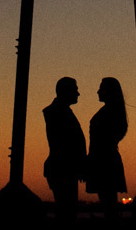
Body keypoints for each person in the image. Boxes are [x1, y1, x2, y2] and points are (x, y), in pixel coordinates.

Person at [44, 76, 86, 225]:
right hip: (63, 169)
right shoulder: (57, 112)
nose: (78, 94)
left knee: (66, 211)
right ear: (65, 91)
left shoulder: (60, 111)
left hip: (64, 168)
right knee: (66, 212)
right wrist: (79, 164)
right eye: (75, 90)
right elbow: (64, 144)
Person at [86, 77, 128, 221]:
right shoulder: (113, 112)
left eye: (101, 88)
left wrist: (91, 161)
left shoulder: (109, 113)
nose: (98, 92)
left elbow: (100, 141)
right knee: (109, 205)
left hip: (104, 163)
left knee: (108, 205)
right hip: (106, 160)